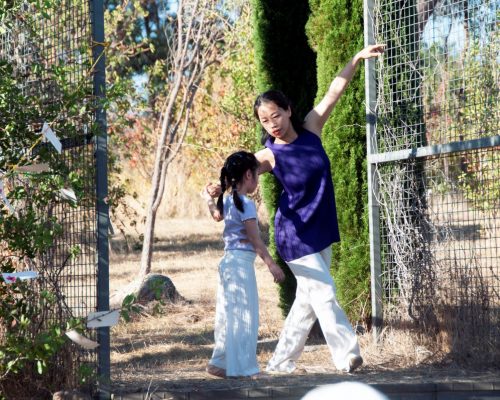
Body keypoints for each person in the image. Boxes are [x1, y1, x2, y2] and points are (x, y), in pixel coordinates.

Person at [207, 44, 385, 374]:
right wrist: (220, 186)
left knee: (306, 302)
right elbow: (240, 171)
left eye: (276, 114)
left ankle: (280, 362)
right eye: (264, 119)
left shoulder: (311, 128)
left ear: (288, 110)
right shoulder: (268, 154)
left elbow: (334, 91)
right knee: (324, 291)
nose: (272, 123)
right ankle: (347, 354)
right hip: (294, 235)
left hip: (320, 228)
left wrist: (356, 59)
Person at [201, 151, 285, 379]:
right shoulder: (246, 204)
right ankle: (245, 369)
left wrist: (207, 197)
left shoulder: (228, 200)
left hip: (228, 262)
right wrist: (272, 265)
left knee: (227, 314)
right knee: (244, 316)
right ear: (249, 174)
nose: (258, 180)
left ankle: (220, 363)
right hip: (239, 264)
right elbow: (255, 240)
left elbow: (216, 216)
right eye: (257, 174)